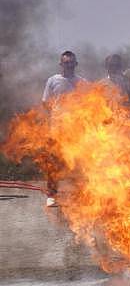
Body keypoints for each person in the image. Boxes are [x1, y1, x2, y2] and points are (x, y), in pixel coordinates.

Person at [42, 51, 86, 207]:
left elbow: (89, 105)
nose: (69, 65)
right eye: (66, 63)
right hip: (57, 129)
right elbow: (46, 103)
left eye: (71, 62)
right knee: (54, 163)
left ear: (76, 64)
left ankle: (80, 194)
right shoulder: (53, 81)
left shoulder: (82, 82)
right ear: (61, 64)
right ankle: (51, 195)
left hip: (76, 131)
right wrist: (56, 118)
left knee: (79, 163)